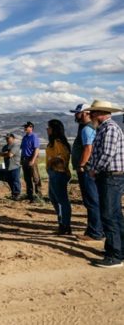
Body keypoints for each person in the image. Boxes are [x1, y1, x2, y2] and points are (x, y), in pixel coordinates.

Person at [84, 99, 124, 268]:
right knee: (114, 214)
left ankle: (115, 255)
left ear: (98, 113)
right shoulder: (104, 129)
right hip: (110, 176)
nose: (90, 115)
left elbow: (107, 153)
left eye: (92, 112)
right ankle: (117, 249)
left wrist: (95, 169)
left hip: (110, 176)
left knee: (109, 215)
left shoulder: (110, 129)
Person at [69, 104, 103, 241]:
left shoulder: (86, 129)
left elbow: (88, 148)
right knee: (94, 200)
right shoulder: (89, 127)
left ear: (85, 113)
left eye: (77, 113)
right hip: (92, 169)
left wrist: (82, 165)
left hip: (87, 169)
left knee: (91, 201)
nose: (75, 115)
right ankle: (95, 229)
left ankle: (95, 232)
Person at [45, 119, 72, 235]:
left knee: (61, 200)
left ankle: (64, 225)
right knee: (53, 197)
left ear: (54, 129)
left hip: (58, 173)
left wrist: (51, 162)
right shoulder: (53, 142)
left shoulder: (58, 142)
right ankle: (62, 222)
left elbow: (61, 158)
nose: (47, 129)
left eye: (49, 127)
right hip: (54, 173)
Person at [20, 121, 42, 202]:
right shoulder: (25, 137)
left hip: (31, 159)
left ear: (31, 127)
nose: (25, 128)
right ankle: (29, 195)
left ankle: (38, 196)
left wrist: (32, 160)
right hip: (25, 159)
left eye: (26, 127)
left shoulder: (34, 136)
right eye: (24, 127)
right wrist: (21, 159)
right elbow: (23, 149)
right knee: (27, 178)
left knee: (35, 177)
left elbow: (36, 149)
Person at [0, 134, 22, 199]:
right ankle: (13, 194)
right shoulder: (5, 146)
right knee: (9, 180)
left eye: (8, 138)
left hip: (15, 166)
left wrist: (5, 154)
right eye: (6, 138)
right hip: (8, 166)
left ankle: (17, 194)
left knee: (15, 180)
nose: (7, 139)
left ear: (13, 138)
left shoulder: (16, 145)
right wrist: (6, 153)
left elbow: (10, 155)